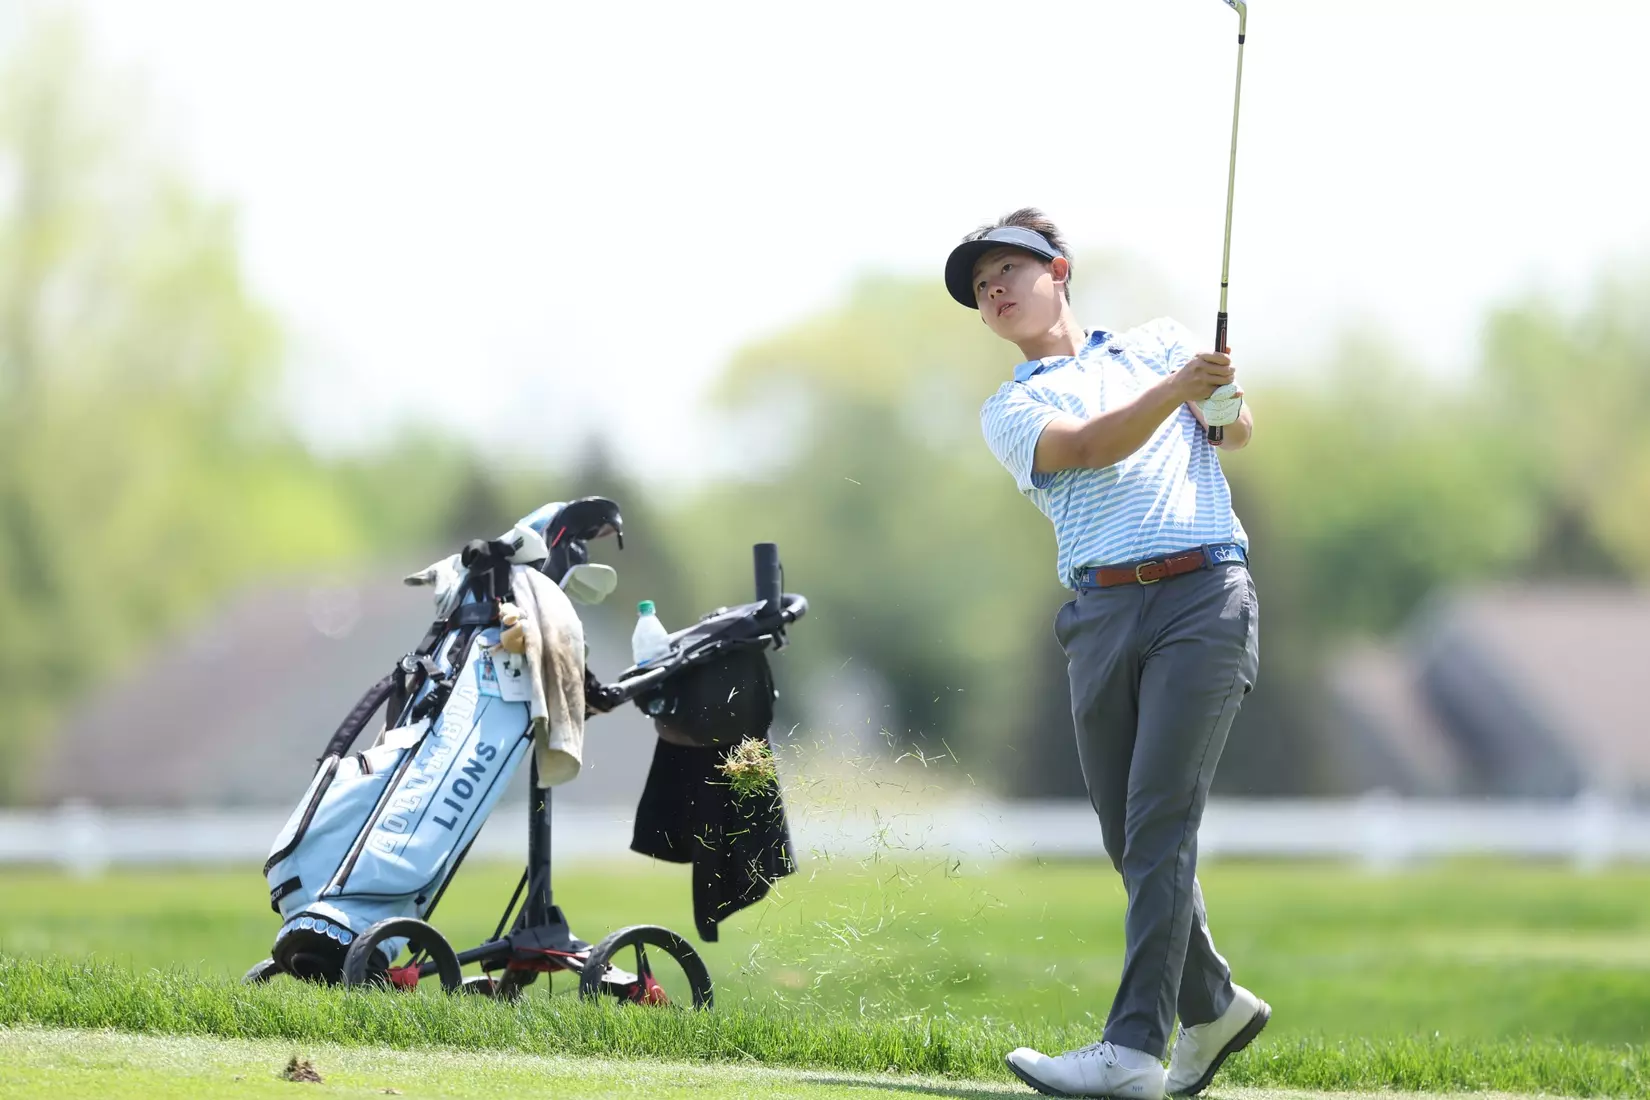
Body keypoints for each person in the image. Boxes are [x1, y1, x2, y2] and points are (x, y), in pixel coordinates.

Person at [945, 209, 1268, 1099]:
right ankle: (1214, 1007)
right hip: (1099, 613)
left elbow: (1233, 434)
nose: (995, 292)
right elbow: (1088, 449)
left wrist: (1215, 387)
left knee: (1160, 821)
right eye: (981, 288)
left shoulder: (1157, 344)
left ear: (1060, 271)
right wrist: (1176, 389)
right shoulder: (1012, 406)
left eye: (1008, 270)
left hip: (1203, 596)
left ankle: (1130, 1052)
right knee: (1129, 836)